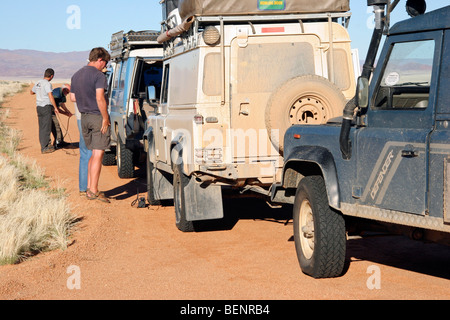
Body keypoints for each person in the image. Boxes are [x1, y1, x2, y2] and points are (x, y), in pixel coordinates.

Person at [70, 47, 111, 203]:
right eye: (105, 63)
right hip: (97, 117)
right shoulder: (98, 76)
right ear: (100, 59)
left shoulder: (76, 75)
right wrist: (105, 118)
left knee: (90, 153)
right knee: (98, 153)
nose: (104, 66)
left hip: (84, 118)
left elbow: (73, 98)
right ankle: (93, 190)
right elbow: (100, 98)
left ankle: (89, 188)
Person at [30, 68, 60, 154]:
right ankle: (45, 147)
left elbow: (31, 92)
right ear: (51, 76)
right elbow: (50, 96)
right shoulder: (47, 84)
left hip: (39, 107)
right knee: (47, 127)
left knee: (42, 127)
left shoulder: (38, 82)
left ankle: (44, 145)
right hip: (46, 107)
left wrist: (39, 92)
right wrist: (55, 107)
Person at [51, 84, 73, 149]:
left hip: (52, 110)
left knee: (56, 126)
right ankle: (57, 142)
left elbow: (61, 103)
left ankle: (61, 141)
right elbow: (56, 109)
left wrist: (67, 111)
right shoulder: (57, 94)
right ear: (64, 89)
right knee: (55, 126)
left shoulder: (61, 93)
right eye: (67, 92)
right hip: (49, 110)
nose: (68, 94)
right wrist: (66, 113)